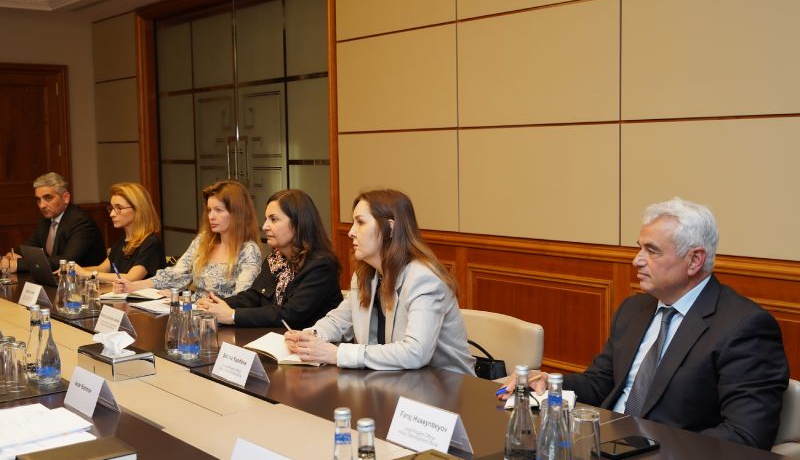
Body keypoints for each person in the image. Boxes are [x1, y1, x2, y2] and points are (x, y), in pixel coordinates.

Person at [498, 197, 789, 450]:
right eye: (640, 248)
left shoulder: (743, 327)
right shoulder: (634, 309)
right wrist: (550, 383)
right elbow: (600, 383)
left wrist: (653, 452)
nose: (636, 260)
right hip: (603, 444)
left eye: (652, 251)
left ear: (694, 260)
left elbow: (746, 436)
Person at [284, 189, 475, 375]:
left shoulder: (424, 279)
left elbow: (415, 352)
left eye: (360, 222)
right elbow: (339, 321)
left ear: (390, 228)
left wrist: (338, 354)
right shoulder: (365, 275)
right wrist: (311, 336)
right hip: (394, 381)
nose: (350, 232)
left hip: (446, 386)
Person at [198, 189, 342, 328]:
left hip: (312, 342)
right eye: (266, 219)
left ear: (298, 223)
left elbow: (290, 315)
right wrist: (216, 304)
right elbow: (254, 297)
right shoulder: (275, 259)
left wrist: (232, 315)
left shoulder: (321, 266)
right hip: (276, 337)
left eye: (273, 219)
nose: (265, 226)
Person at [113, 180, 261, 299]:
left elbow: (241, 299)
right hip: (194, 313)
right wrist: (132, 286)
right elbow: (176, 274)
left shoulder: (248, 251)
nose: (211, 216)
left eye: (218, 210)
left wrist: (184, 300)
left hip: (221, 319)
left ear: (237, 213)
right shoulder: (203, 241)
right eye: (209, 210)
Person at [2, 172, 106, 273]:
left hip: (87, 281)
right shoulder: (47, 220)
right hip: (59, 279)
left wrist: (18, 265)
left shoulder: (81, 222)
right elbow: (30, 247)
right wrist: (12, 255)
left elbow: (65, 261)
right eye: (38, 200)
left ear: (65, 198)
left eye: (48, 198)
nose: (42, 205)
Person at [75, 183, 165, 282]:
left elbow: (130, 278)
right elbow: (102, 268)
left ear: (138, 209)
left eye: (119, 208)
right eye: (112, 208)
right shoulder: (123, 241)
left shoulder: (151, 243)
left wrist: (86, 274)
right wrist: (73, 269)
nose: (112, 214)